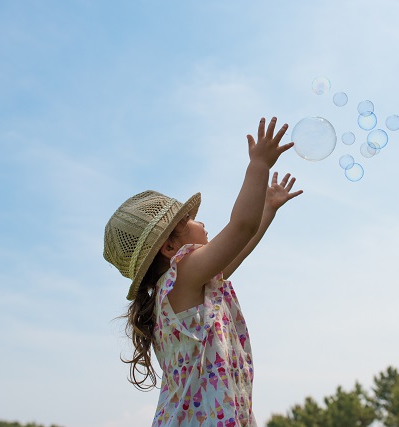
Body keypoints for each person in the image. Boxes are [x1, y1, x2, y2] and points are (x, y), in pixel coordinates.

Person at [103, 117, 302, 426]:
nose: (202, 222)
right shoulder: (182, 277)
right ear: (170, 248)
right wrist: (258, 165)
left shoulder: (187, 287)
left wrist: (267, 209)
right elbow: (239, 228)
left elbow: (240, 243)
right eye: (189, 219)